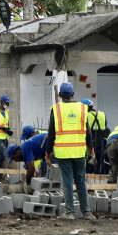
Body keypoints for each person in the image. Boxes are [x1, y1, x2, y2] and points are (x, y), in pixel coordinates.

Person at [48, 82, 91, 219]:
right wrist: (90, 149)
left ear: (60, 94)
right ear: (73, 94)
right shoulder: (83, 108)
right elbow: (88, 132)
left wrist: (48, 152)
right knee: (80, 181)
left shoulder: (56, 109)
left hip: (63, 152)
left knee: (67, 181)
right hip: (79, 151)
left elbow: (51, 134)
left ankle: (69, 212)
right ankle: (87, 212)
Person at [11, 124, 48, 191]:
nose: (26, 140)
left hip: (52, 150)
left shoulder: (40, 138)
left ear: (32, 134)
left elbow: (32, 166)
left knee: (47, 173)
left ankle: (46, 190)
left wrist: (28, 182)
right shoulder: (34, 141)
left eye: (27, 138)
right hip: (45, 154)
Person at [85, 101, 109, 175]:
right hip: (100, 141)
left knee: (89, 160)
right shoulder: (102, 114)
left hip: (89, 142)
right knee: (100, 160)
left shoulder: (85, 115)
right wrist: (101, 138)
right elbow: (105, 129)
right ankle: (102, 175)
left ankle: (88, 175)